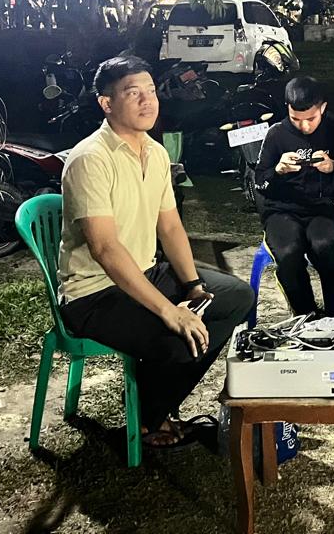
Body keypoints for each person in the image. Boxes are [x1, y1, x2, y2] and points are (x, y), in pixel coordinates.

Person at [58, 55, 254, 450]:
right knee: (178, 340)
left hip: (146, 271)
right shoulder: (90, 159)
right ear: (106, 103)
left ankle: (152, 407)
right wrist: (169, 310)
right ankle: (150, 419)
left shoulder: (156, 152)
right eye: (134, 93)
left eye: (151, 91)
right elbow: (104, 248)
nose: (148, 101)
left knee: (235, 296)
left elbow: (170, 227)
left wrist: (193, 286)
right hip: (94, 294)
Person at [253, 75, 334, 318]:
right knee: (288, 254)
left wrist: (333, 167)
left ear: (323, 108)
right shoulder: (276, 134)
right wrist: (277, 170)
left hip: (322, 208)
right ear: (288, 109)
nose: (304, 126)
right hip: (282, 211)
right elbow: (260, 183)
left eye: (311, 119)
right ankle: (306, 314)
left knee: (327, 247)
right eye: (296, 119)